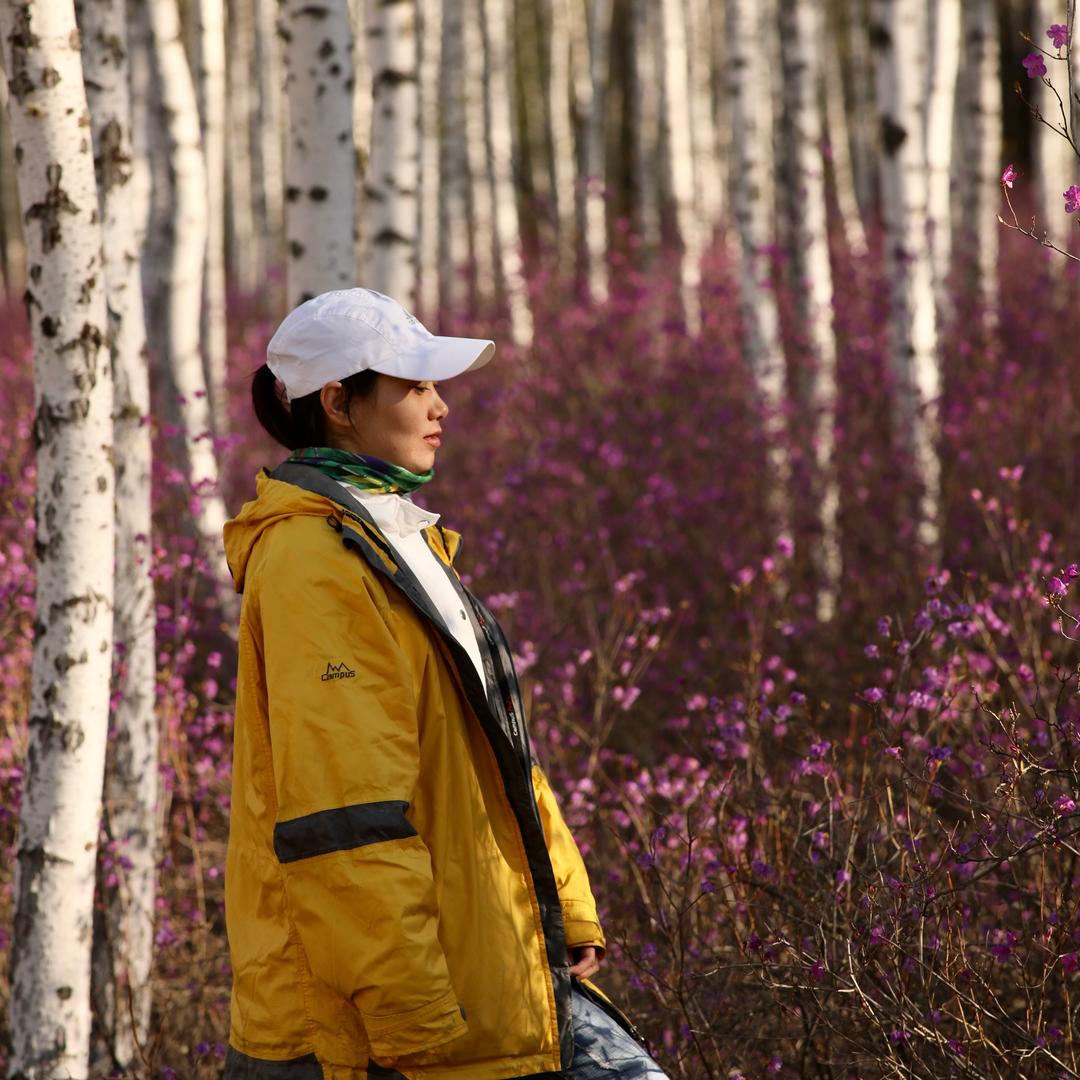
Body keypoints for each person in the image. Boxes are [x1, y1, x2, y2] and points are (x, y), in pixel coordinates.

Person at [222, 288, 668, 1080]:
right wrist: (408, 1019)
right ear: (339, 402)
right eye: (415, 386)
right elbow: (343, 811)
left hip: (488, 963)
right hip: (388, 1024)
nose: (441, 407)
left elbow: (490, 744)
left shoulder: (392, 533)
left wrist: (561, 900)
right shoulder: (311, 563)